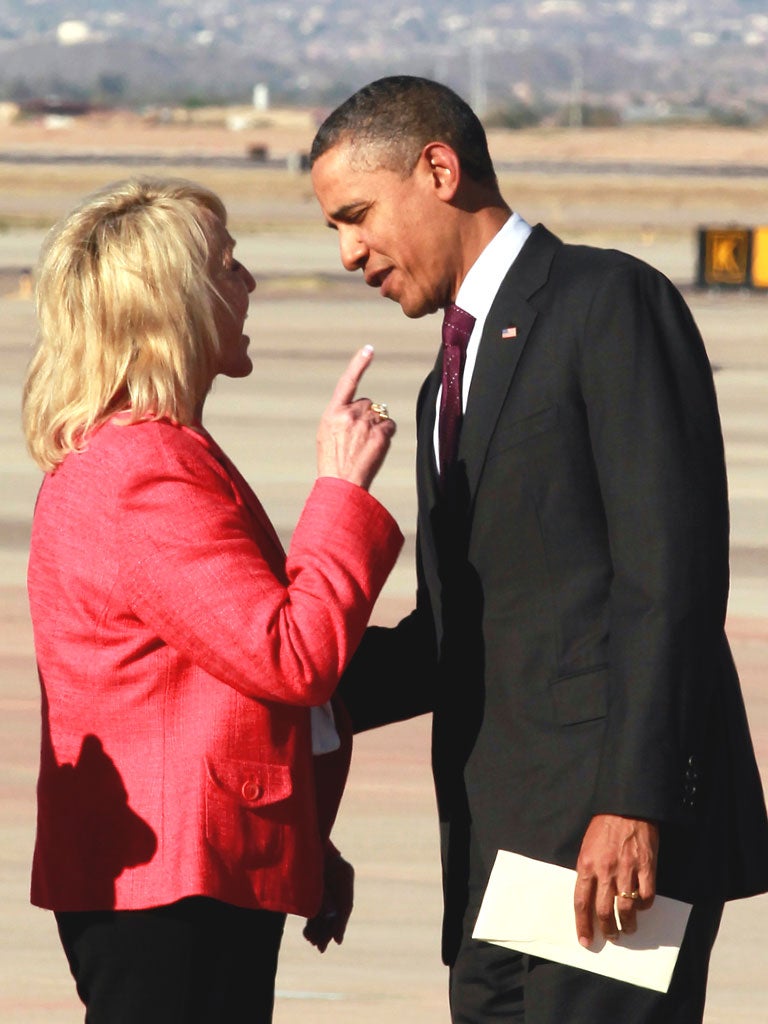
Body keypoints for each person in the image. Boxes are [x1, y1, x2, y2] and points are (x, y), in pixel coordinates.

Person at [309, 76, 768, 1023]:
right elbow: (460, 633)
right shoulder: (444, 381)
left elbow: (669, 580)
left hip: (612, 846)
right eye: (333, 231)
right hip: (495, 851)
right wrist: (284, 682)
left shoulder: (607, 302)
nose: (351, 252)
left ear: (439, 169)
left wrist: (633, 802)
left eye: (356, 216)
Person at [22, 177, 404, 1024]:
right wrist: (341, 488)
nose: (250, 284)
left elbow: (222, 674)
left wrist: (302, 837)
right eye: (229, 267)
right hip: (177, 883)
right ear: (177, 303)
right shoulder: (143, 473)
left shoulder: (149, 455)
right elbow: (291, 654)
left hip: (190, 872)